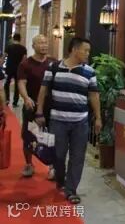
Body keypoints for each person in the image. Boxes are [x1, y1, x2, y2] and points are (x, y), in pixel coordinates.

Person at [35, 37, 101, 204]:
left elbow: (94, 96)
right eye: (85, 50)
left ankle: (71, 189)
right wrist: (39, 112)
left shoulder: (90, 72)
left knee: (77, 157)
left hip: (80, 122)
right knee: (58, 155)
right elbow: (43, 90)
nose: (88, 54)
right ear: (74, 49)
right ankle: (60, 180)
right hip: (58, 120)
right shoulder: (54, 67)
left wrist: (98, 117)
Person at [17, 35, 55, 179]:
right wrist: (26, 98)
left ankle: (52, 166)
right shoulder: (25, 64)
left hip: (50, 106)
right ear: (33, 46)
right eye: (40, 43)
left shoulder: (53, 62)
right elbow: (21, 83)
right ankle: (29, 164)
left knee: (52, 136)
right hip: (31, 106)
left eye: (45, 42)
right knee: (29, 136)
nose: (44, 45)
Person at [5, 33, 27, 107]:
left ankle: (7, 99)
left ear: (13, 38)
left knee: (7, 83)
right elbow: (24, 60)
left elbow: (4, 56)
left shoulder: (9, 47)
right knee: (17, 85)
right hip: (18, 69)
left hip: (9, 68)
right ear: (20, 39)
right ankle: (15, 102)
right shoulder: (23, 48)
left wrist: (1, 65)